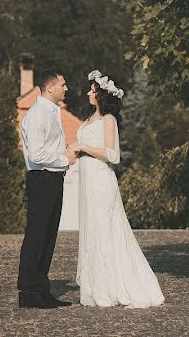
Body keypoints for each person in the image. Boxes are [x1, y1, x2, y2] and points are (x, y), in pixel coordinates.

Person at [69, 70, 164, 308]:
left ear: (102, 95)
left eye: (93, 90)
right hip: (87, 182)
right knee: (92, 230)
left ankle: (111, 287)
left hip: (101, 181)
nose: (89, 93)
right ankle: (95, 287)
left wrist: (83, 147)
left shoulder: (108, 120)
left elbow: (113, 155)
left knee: (104, 230)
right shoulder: (90, 119)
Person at [17, 70, 77, 309]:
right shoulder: (37, 115)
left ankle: (41, 290)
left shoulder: (51, 112)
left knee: (48, 235)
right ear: (50, 88)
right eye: (63, 84)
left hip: (52, 179)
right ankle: (29, 292)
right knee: (36, 235)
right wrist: (65, 159)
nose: (66, 88)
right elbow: (37, 154)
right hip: (41, 178)